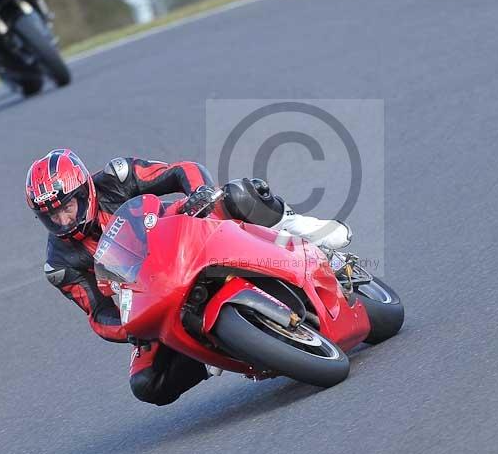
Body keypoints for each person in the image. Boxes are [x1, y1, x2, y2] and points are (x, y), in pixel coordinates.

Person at [25, 149, 352, 405]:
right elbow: (97, 314)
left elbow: (181, 170)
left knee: (237, 193)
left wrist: (200, 193)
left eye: (66, 207)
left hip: (184, 234)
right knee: (147, 383)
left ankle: (300, 228)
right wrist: (128, 328)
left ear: (85, 191)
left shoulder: (116, 177)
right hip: (149, 292)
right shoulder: (60, 263)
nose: (62, 219)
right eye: (51, 215)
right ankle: (214, 350)